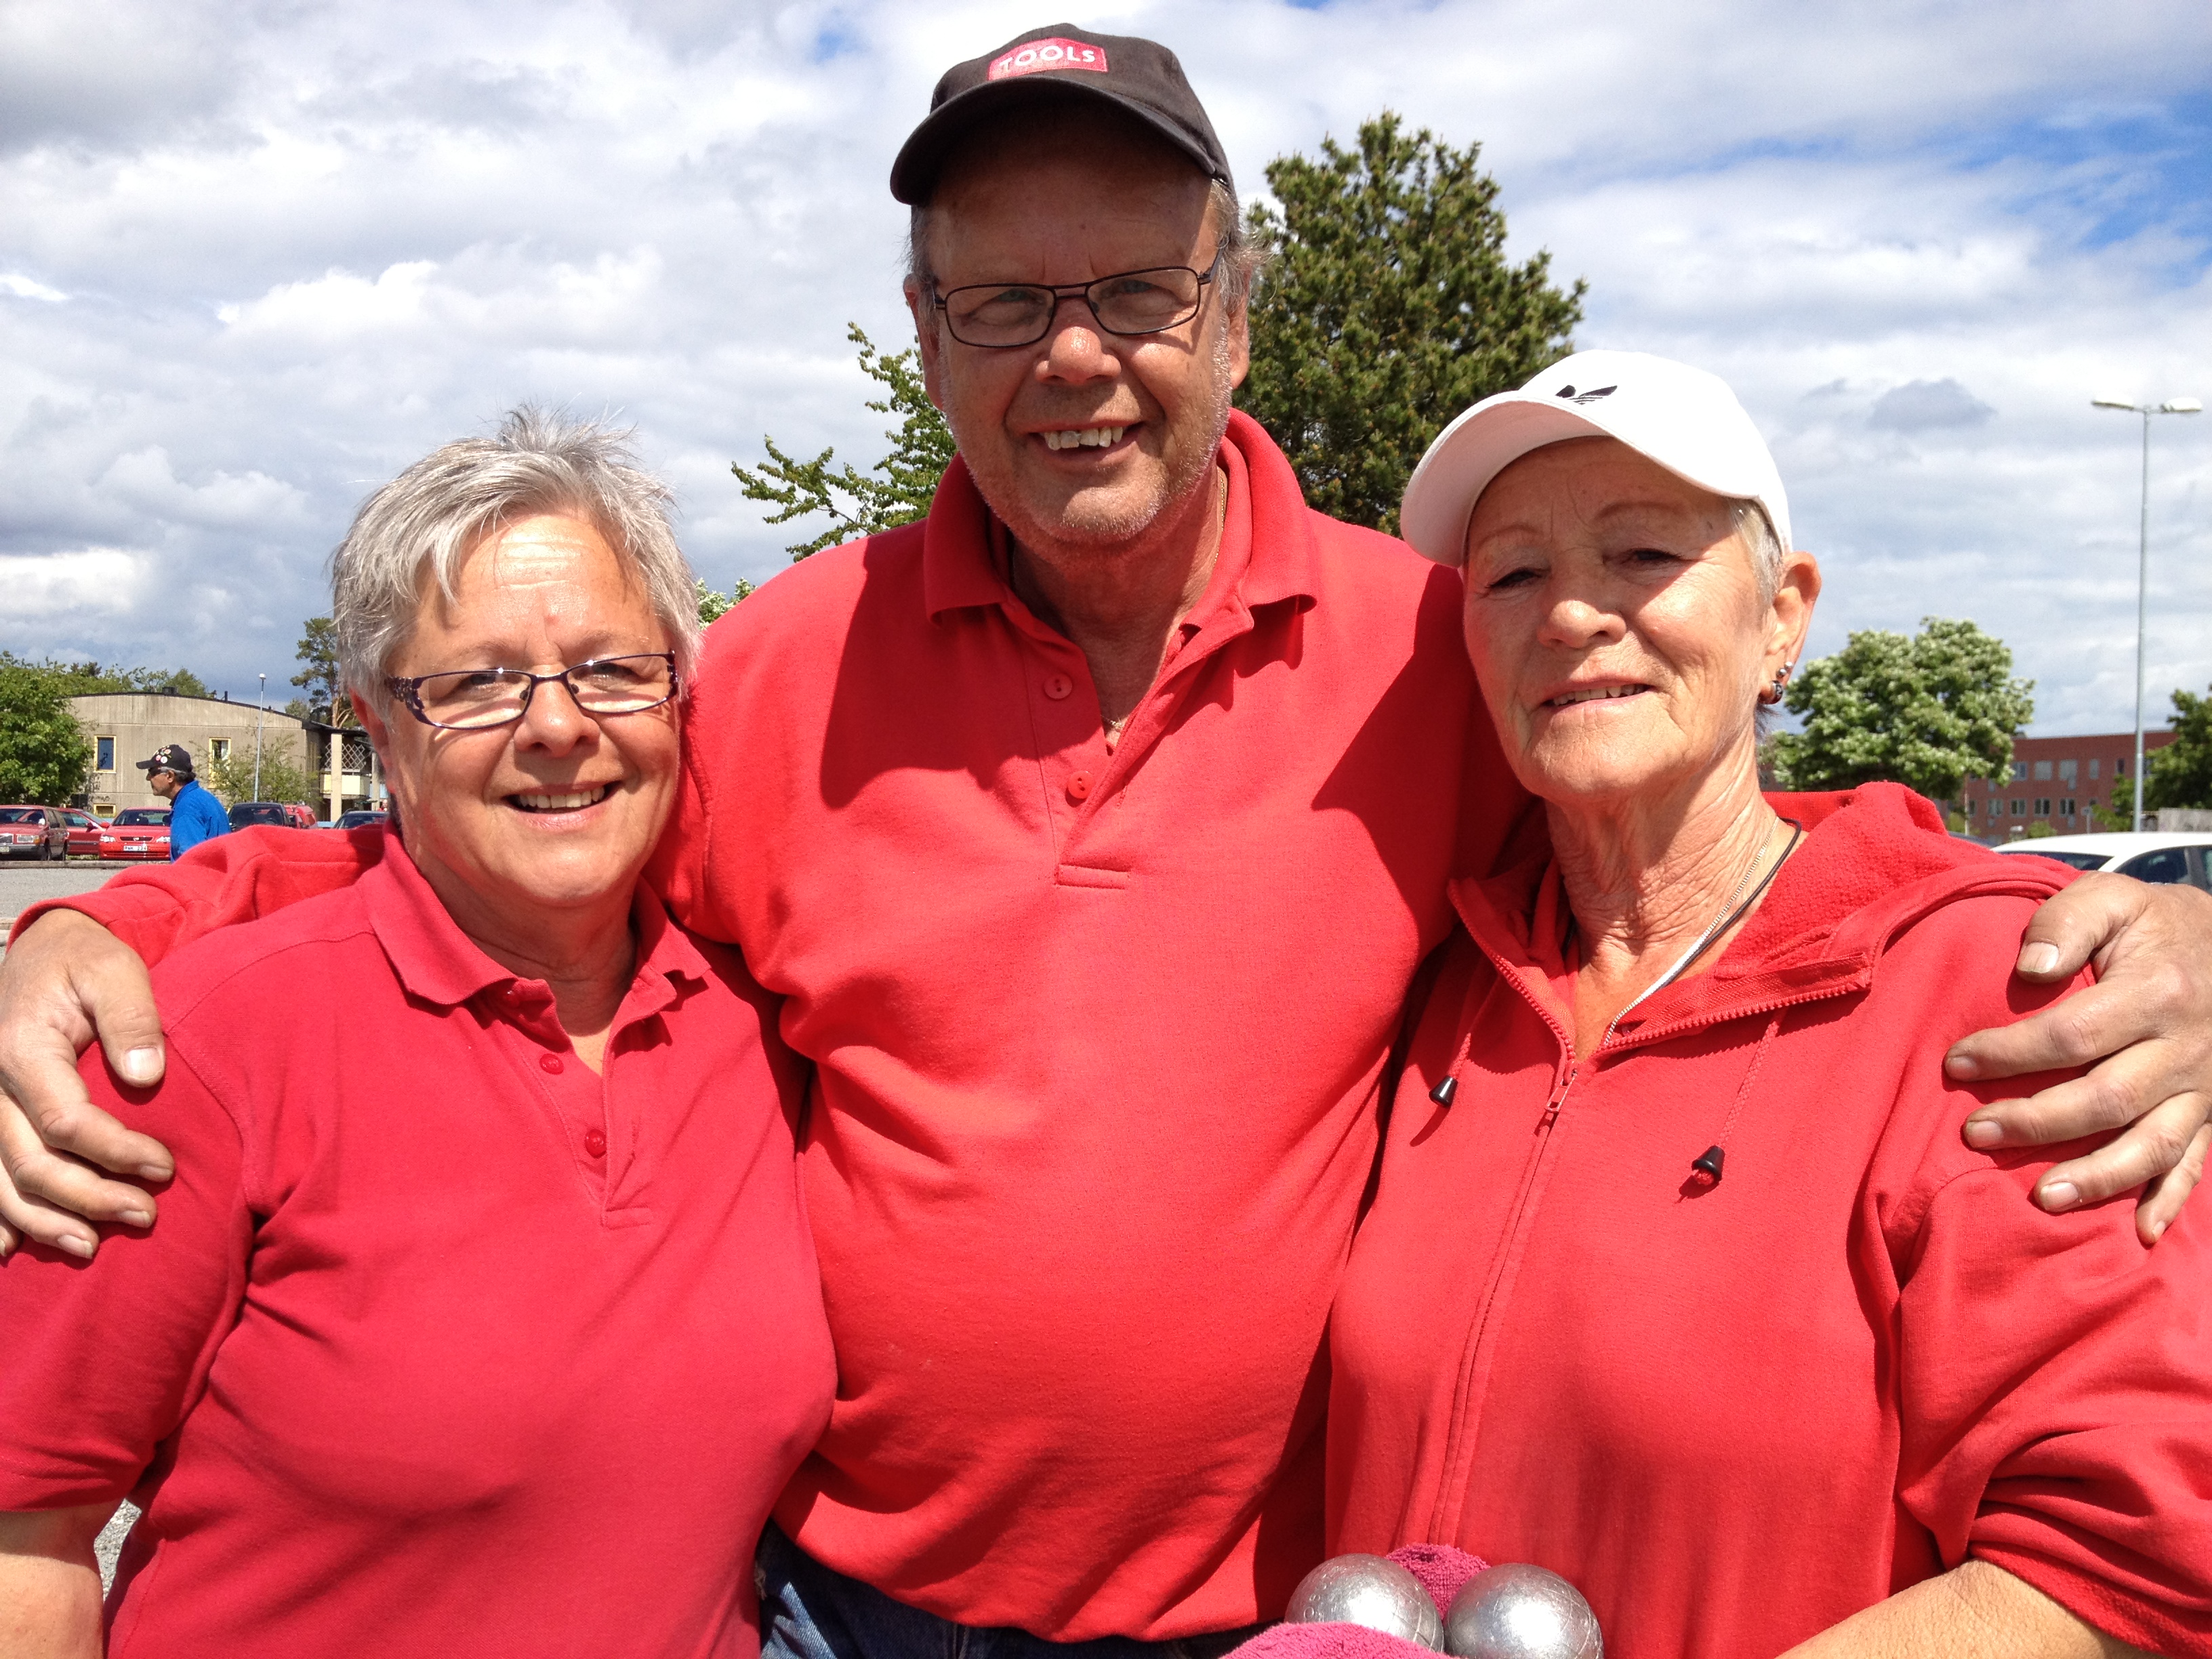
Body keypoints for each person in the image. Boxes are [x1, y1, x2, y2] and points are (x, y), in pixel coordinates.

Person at [1, 26, 2211, 1659]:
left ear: (1230, 310)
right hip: (835, 1606)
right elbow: (508, 833)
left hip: (1264, 1618)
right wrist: (120, 922)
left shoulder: (1425, 646)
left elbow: (1715, 829)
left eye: (1135, 292)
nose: (1074, 358)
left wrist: (2117, 933)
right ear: (927, 337)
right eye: (1003, 302)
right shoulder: (784, 663)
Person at [1322, 352, 2212, 1659]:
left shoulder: (1987, 994)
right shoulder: (1442, 986)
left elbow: (2133, 1559)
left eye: (1640, 552)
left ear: (1781, 618)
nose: (1567, 612)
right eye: (1509, 573)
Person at [0, 412, 834, 1656]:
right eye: (476, 683)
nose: (556, 725)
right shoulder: (196, 1050)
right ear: (378, 727)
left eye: (612, 668)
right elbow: (28, 1527)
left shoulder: (761, 1020)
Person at [137, 744, 229, 860]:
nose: (148, 778)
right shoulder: (203, 798)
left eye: (152, 772)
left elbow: (192, 862)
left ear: (170, 776)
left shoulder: (187, 808)